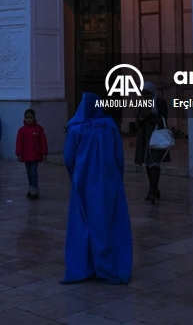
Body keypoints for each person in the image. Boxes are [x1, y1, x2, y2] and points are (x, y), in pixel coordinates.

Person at [61, 92, 132, 285]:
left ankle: (83, 267)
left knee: (82, 225)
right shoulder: (109, 126)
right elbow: (119, 156)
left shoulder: (76, 128)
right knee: (108, 223)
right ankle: (109, 267)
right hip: (108, 182)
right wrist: (117, 178)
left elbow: (68, 158)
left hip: (83, 182)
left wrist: (74, 177)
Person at [134, 82, 170, 203]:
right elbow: (138, 121)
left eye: (147, 93)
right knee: (148, 163)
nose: (145, 95)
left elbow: (163, 119)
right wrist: (140, 118)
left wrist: (150, 116)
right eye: (143, 93)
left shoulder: (160, 103)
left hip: (156, 136)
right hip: (144, 137)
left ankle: (152, 189)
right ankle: (153, 188)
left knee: (154, 163)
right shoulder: (142, 103)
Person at [15, 108, 48, 199]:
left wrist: (44, 153)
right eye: (27, 118)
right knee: (29, 173)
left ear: (34, 118)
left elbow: (43, 142)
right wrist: (19, 154)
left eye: (30, 117)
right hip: (26, 156)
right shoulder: (22, 130)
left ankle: (35, 190)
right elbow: (19, 143)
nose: (29, 119)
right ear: (24, 118)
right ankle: (30, 188)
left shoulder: (39, 129)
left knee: (33, 172)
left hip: (35, 156)